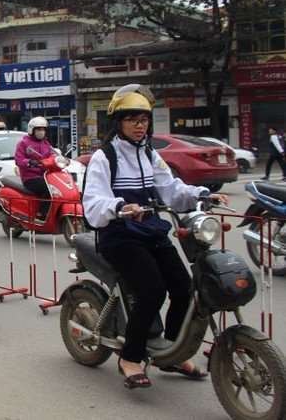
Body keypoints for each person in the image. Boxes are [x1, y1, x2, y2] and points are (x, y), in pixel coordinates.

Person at [82, 84, 229, 389]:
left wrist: (203, 194)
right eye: (132, 120)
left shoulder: (149, 154)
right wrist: (120, 206)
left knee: (186, 288)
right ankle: (130, 357)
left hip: (150, 231)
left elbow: (172, 190)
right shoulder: (105, 156)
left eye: (144, 120)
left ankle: (173, 350)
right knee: (152, 291)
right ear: (118, 123)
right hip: (119, 236)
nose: (140, 126)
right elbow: (93, 204)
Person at [15, 116, 54, 223]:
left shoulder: (46, 143)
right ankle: (40, 215)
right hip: (30, 177)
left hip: (45, 175)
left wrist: (61, 159)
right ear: (32, 130)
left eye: (43, 129)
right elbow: (18, 160)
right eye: (38, 129)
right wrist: (29, 162)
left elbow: (52, 155)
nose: (41, 132)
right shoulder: (23, 143)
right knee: (48, 189)